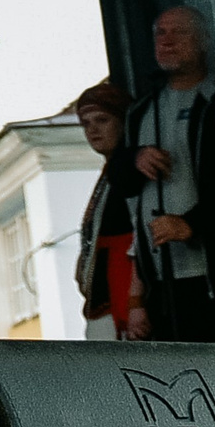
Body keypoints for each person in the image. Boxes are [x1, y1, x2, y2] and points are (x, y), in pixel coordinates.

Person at [105, 7, 215, 341]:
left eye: (179, 32)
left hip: (213, 273)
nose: (167, 41)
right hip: (159, 279)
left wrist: (193, 223)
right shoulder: (141, 111)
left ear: (203, 40)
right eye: (160, 33)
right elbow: (118, 181)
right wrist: (135, 158)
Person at [70, 81, 137, 338]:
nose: (93, 130)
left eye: (102, 120)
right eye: (86, 124)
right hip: (102, 299)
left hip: (123, 301)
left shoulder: (128, 171)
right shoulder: (109, 173)